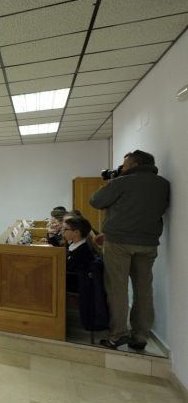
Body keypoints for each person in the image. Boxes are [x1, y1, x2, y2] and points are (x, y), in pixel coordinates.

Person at [90, 150, 170, 350]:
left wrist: (114, 181)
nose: (121, 168)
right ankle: (141, 335)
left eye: (124, 165)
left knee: (117, 288)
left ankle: (118, 335)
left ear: (134, 165)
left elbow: (96, 201)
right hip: (148, 243)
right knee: (144, 289)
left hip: (119, 242)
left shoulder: (122, 182)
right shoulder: (163, 184)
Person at [63, 215, 95, 292]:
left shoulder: (82, 251)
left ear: (76, 232)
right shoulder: (73, 245)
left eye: (65, 229)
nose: (63, 231)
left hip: (74, 285)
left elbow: (67, 268)